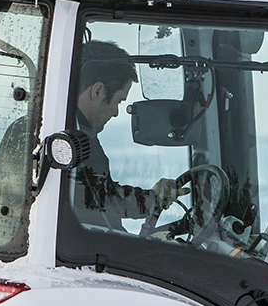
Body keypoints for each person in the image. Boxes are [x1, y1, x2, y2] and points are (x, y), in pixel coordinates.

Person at [72, 41, 184, 228]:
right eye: (118, 101)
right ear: (98, 91)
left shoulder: (65, 131)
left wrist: (153, 198)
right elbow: (103, 207)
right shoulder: (73, 144)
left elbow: (102, 197)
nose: (116, 112)